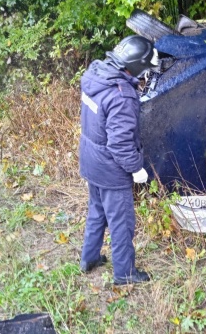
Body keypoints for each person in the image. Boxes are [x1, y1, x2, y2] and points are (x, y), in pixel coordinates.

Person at [79, 35, 159, 285]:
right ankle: (124, 274)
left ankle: (89, 259)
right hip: (110, 170)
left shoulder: (96, 77)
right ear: (134, 65)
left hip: (91, 160)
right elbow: (120, 144)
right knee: (121, 222)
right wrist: (136, 168)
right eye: (145, 69)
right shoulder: (121, 96)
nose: (146, 75)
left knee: (97, 212)